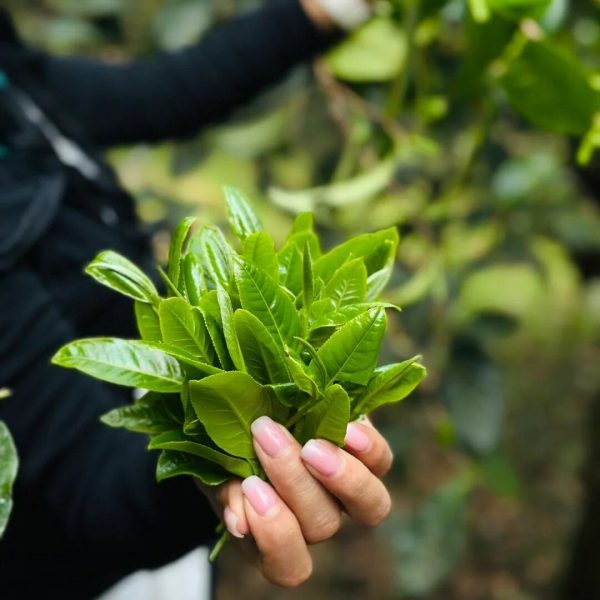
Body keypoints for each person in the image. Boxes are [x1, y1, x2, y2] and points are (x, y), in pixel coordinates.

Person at [0, 1, 393, 597]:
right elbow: (89, 493)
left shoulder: (14, 85)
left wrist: (323, 11)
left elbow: (168, 90)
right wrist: (210, 474)